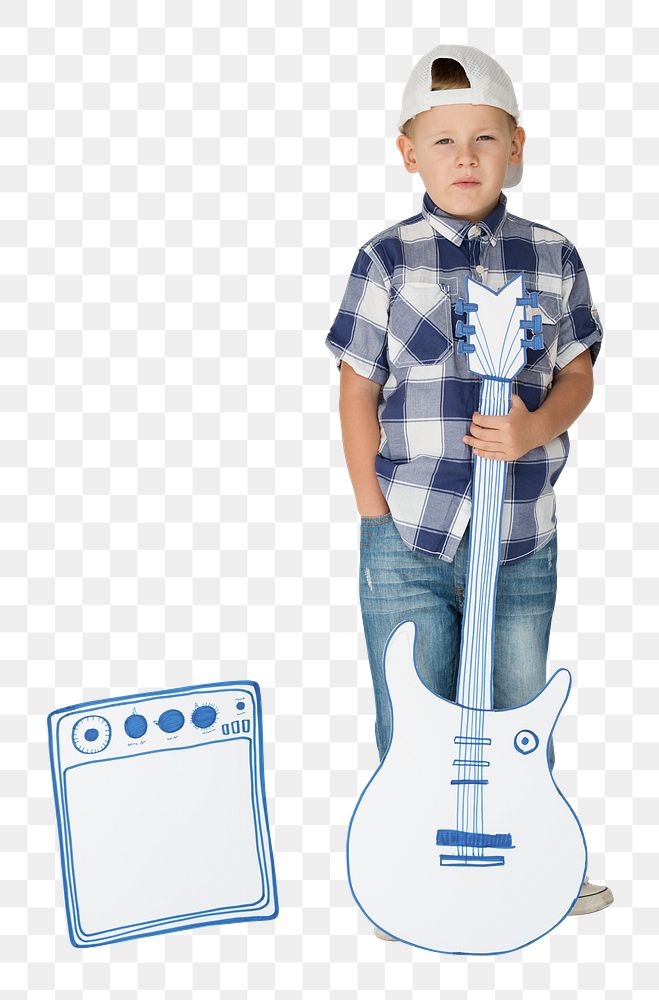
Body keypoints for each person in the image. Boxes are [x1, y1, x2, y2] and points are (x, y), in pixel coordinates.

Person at [325, 44, 613, 932]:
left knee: (519, 713)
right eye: (442, 139)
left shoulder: (552, 256)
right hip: (406, 534)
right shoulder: (386, 259)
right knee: (408, 723)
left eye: (484, 138)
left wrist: (533, 426)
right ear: (407, 151)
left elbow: (577, 370)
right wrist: (372, 516)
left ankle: (535, 867)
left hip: (521, 533)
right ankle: (401, 873)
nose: (464, 157)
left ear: (515, 146)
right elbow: (355, 390)